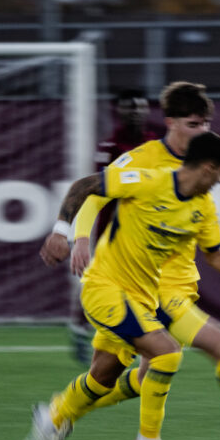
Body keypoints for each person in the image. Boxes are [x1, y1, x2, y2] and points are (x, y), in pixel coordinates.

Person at [62, 81, 220, 440]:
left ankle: (61, 415)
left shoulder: (201, 177)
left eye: (206, 124)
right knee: (147, 365)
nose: (202, 132)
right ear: (171, 122)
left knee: (134, 375)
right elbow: (94, 193)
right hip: (138, 285)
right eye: (194, 124)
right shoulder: (143, 161)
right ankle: (125, 436)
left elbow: (213, 248)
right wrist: (78, 237)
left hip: (174, 287)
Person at [28, 131, 220, 440]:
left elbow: (215, 255)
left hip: (141, 297)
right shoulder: (145, 181)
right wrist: (62, 231)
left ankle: (53, 417)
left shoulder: (201, 206)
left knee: (104, 375)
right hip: (105, 287)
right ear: (206, 167)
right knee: (167, 352)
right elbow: (85, 186)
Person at [66, 89, 160, 366]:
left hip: (142, 228)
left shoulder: (152, 143)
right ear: (119, 112)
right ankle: (79, 328)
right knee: (98, 280)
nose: (136, 112)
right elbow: (99, 189)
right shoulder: (109, 147)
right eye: (129, 107)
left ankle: (136, 334)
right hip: (112, 228)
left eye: (140, 107)